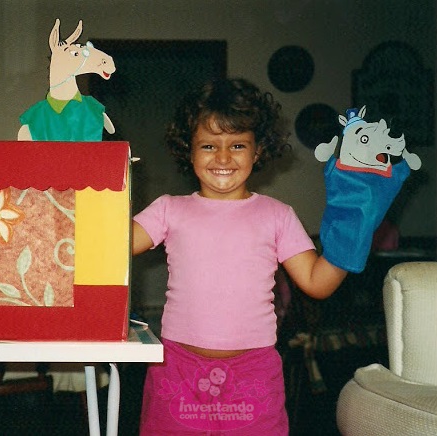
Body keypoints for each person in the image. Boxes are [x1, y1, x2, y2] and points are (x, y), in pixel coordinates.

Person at [132, 78, 347, 434]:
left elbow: (317, 282)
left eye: (237, 145)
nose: (222, 158)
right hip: (178, 369)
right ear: (189, 150)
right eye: (208, 145)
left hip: (254, 373)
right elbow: (110, 245)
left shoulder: (278, 215)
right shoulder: (168, 210)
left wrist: (352, 234)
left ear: (258, 150)